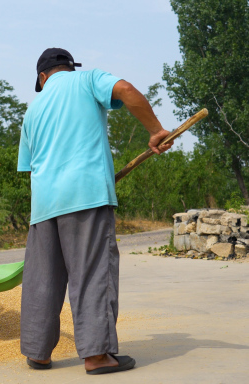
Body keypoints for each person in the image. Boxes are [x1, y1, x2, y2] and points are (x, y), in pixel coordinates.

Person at [17, 48, 174, 375]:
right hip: (85, 195)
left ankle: (39, 352)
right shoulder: (86, 80)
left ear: (42, 77)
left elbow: (30, 167)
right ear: (69, 68)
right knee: (91, 273)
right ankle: (97, 355)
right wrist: (156, 130)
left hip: (44, 204)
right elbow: (126, 91)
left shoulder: (32, 112)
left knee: (42, 279)